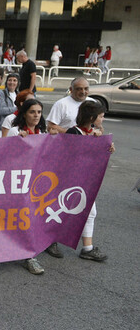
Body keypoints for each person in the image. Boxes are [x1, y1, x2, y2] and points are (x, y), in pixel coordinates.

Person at [63, 101, 113, 262]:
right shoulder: (73, 132)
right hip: (72, 181)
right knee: (66, 212)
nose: (103, 119)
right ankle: (83, 248)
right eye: (101, 116)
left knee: (90, 212)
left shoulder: (95, 132)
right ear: (92, 117)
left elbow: (96, 159)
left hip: (86, 181)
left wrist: (106, 147)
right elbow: (67, 156)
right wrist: (92, 141)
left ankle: (87, 248)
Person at [4, 99, 48, 275]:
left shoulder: (42, 131)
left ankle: (28, 252)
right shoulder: (16, 131)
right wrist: (18, 142)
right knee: (22, 216)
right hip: (18, 181)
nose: (36, 115)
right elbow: (6, 156)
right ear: (24, 114)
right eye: (32, 112)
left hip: (36, 181)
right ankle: (28, 255)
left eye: (39, 112)